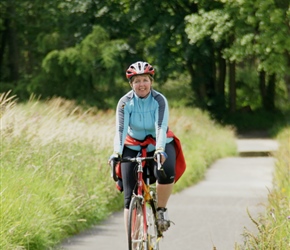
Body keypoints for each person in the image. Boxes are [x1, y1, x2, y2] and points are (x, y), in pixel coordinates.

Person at [108, 61, 185, 235]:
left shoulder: (159, 100)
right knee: (129, 197)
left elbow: (161, 126)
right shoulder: (124, 103)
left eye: (144, 80)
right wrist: (116, 153)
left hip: (159, 142)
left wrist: (159, 149)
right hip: (132, 143)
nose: (141, 84)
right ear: (131, 84)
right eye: (137, 81)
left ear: (151, 81)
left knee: (166, 170)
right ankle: (133, 241)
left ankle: (161, 211)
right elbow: (120, 130)